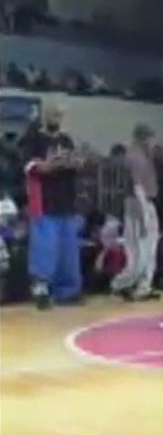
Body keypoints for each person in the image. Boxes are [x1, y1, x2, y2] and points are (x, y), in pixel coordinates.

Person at [23, 105, 83, 309]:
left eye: (58, 115)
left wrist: (74, 162)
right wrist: (49, 164)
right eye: (52, 115)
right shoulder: (34, 140)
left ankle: (68, 292)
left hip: (66, 203)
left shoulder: (66, 140)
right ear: (45, 117)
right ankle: (41, 290)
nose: (55, 118)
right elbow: (31, 167)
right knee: (45, 250)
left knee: (68, 251)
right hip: (44, 203)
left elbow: (75, 164)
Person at [111, 124, 160, 301]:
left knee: (150, 248)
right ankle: (120, 284)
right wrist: (142, 215)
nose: (152, 142)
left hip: (148, 201)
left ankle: (144, 285)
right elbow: (136, 187)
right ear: (143, 138)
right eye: (150, 138)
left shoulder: (145, 155)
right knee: (138, 250)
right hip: (137, 203)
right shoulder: (134, 157)